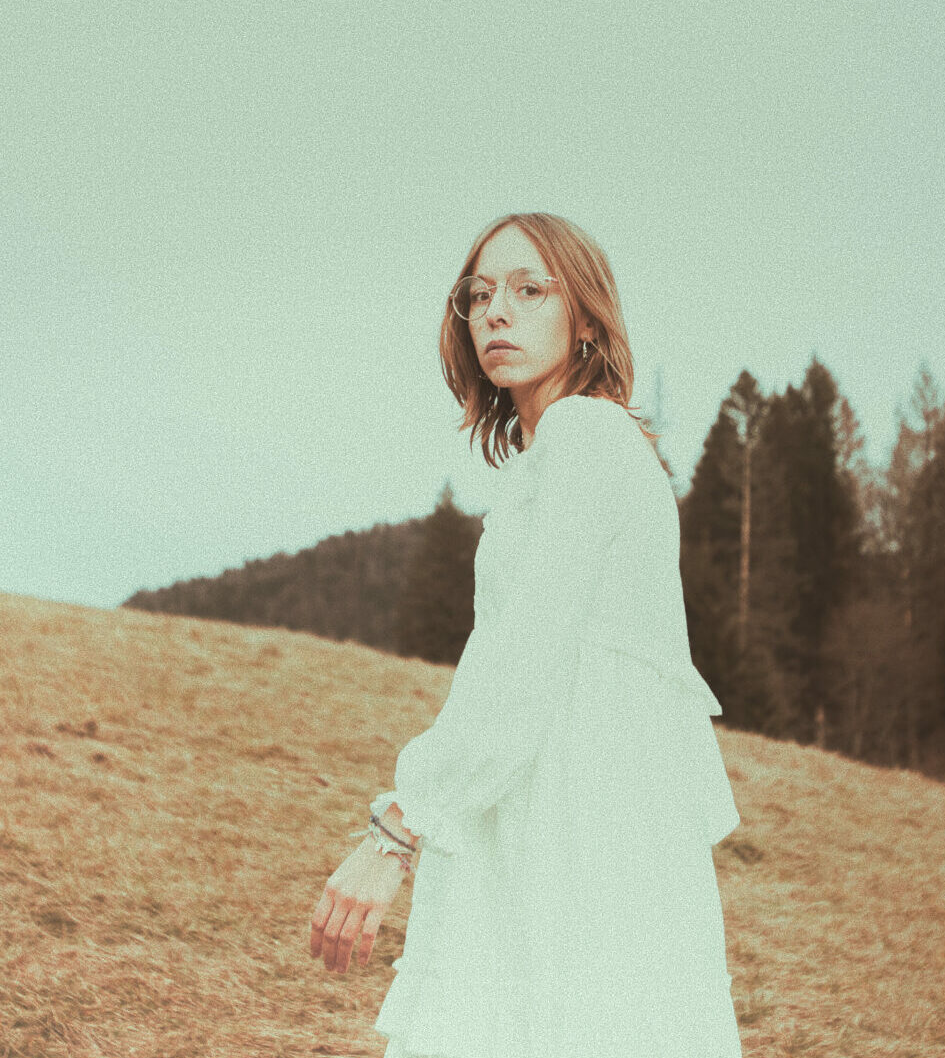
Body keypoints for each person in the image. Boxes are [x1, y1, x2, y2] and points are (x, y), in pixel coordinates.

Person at [309, 213, 744, 1057]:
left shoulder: (586, 436)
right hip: (578, 818)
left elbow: (524, 656)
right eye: (478, 295)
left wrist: (396, 831)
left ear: (585, 320)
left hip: (574, 826)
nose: (496, 312)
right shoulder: (568, 453)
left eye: (528, 289)